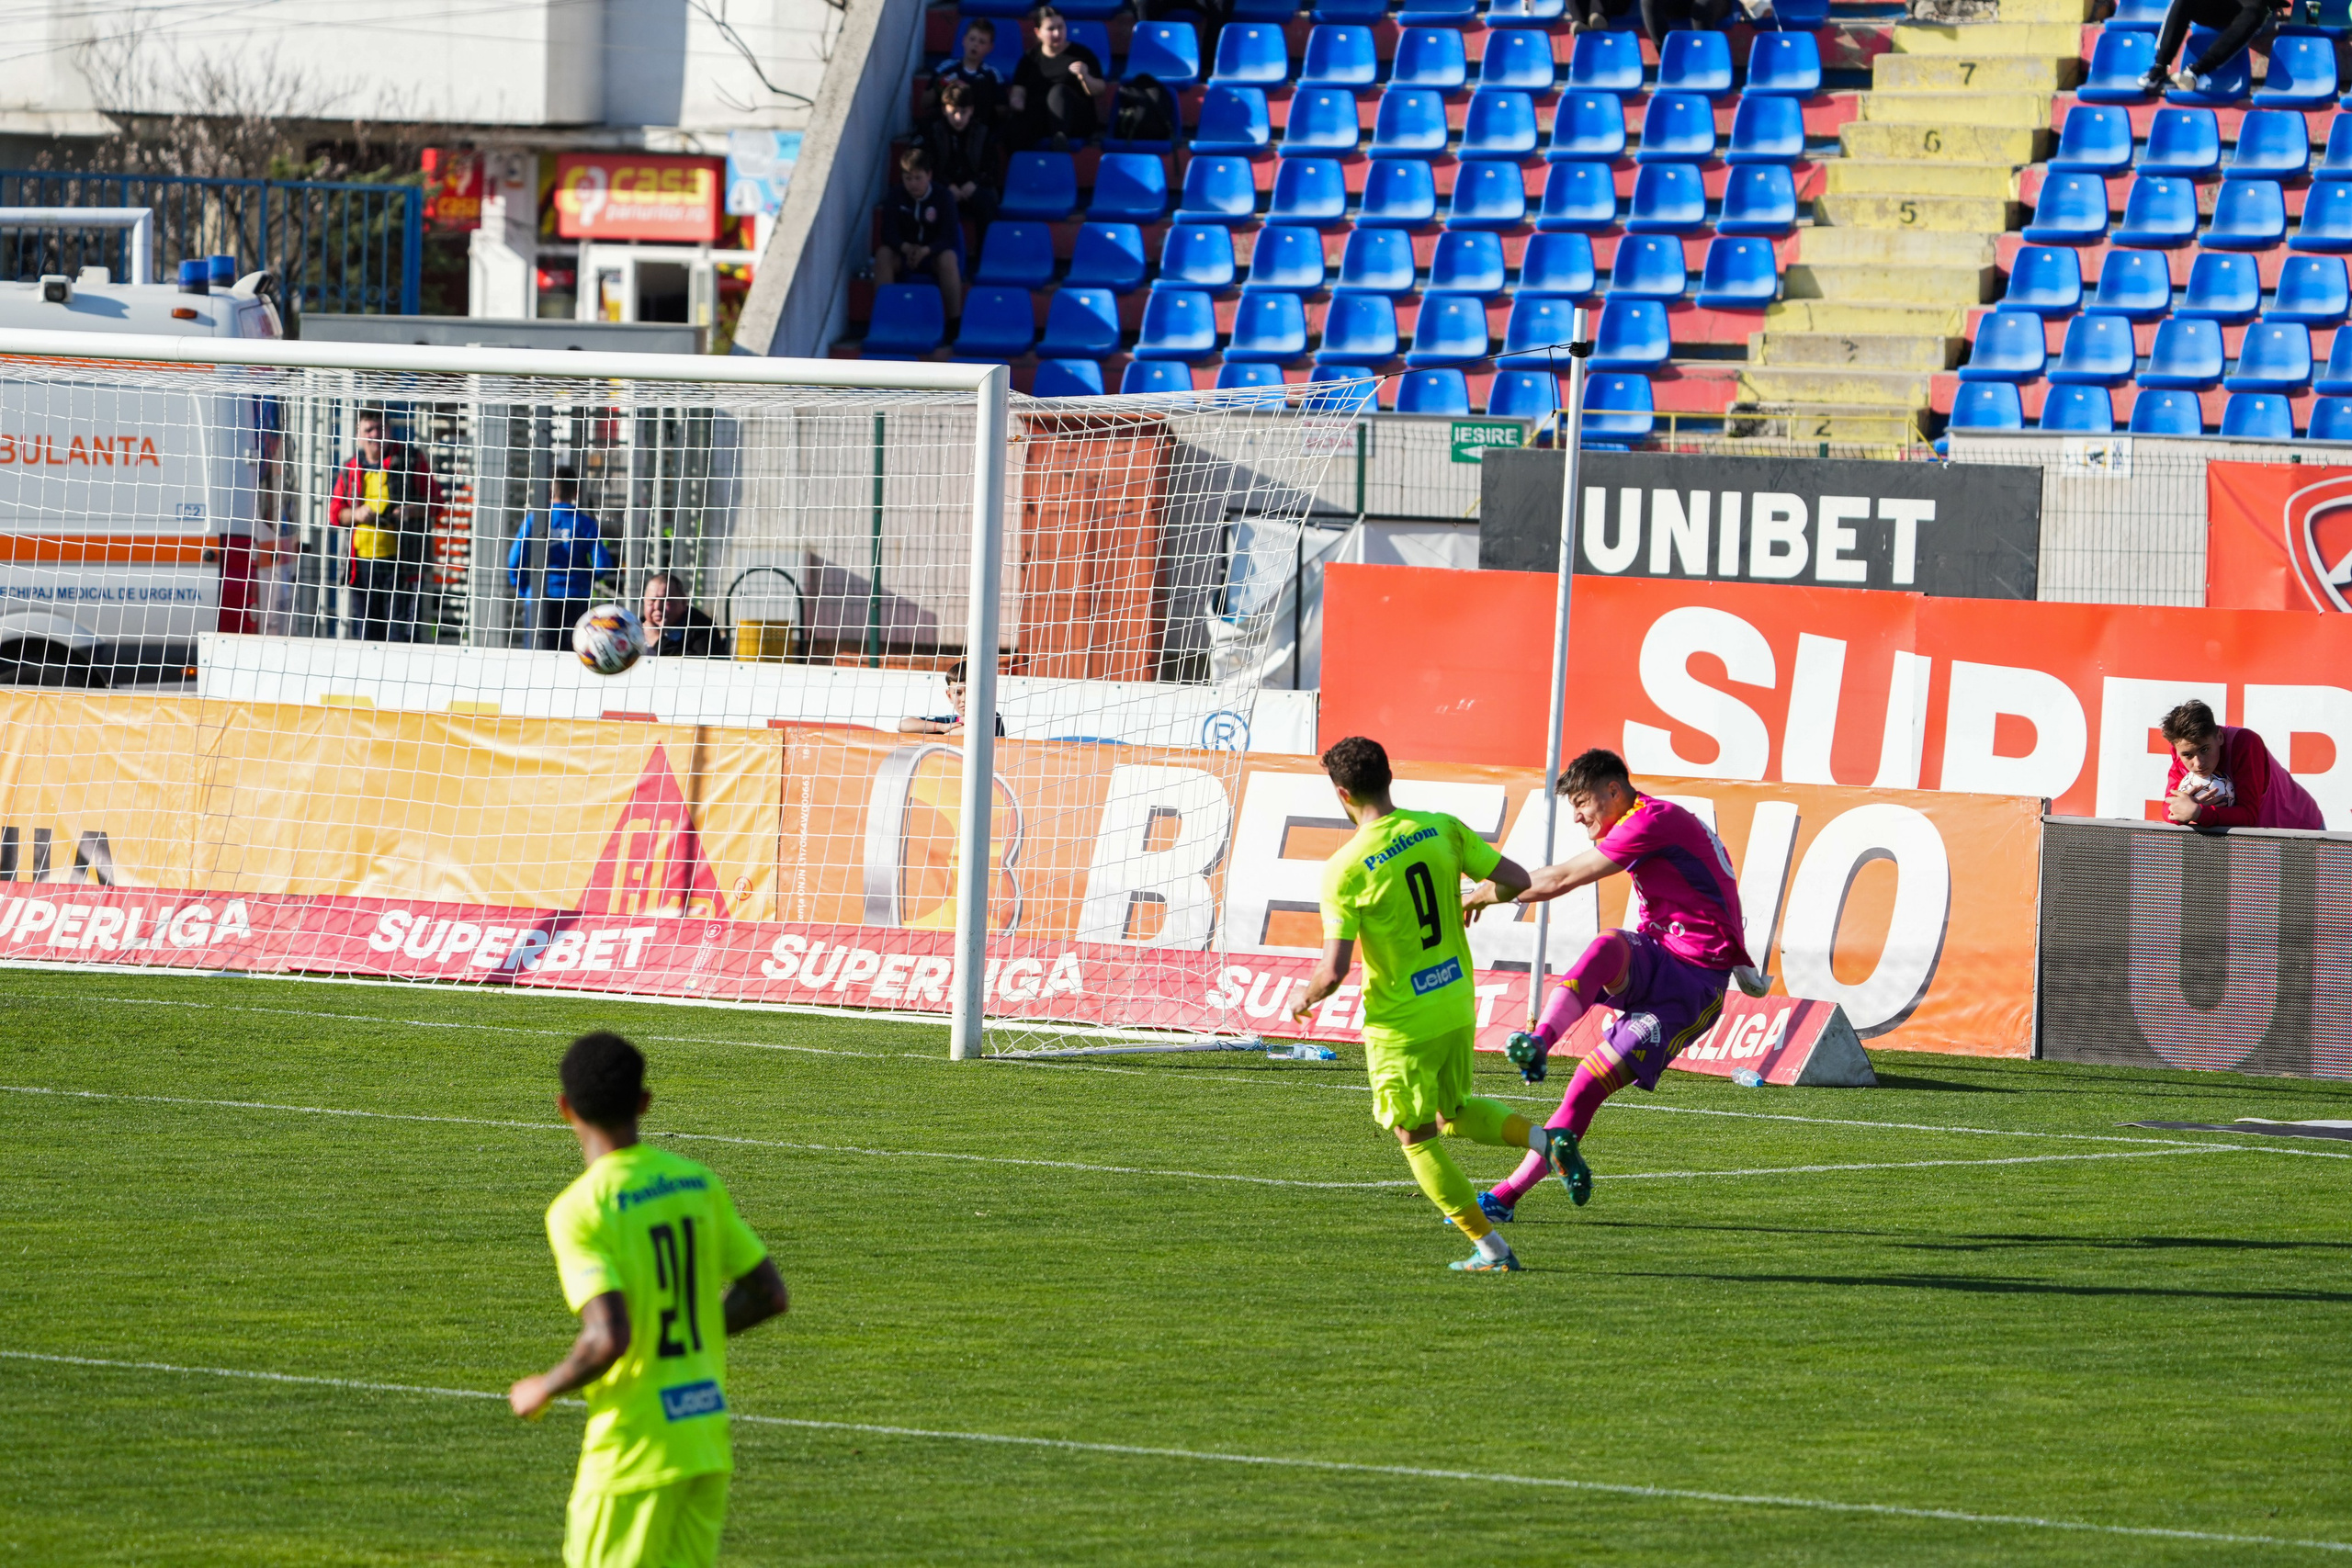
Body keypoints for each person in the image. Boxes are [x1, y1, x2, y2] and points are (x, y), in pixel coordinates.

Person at [1288, 736, 1572, 1273]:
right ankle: (1545, 1140)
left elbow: (1333, 971)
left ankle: (1492, 1250)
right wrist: (1476, 898)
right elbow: (1516, 880)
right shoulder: (1441, 826)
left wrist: (1306, 998)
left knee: (1415, 1139)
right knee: (1453, 1112)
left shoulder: (1345, 868)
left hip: (1403, 1023)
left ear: (1341, 792)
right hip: (1457, 1002)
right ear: (1389, 777)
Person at [510, 1032, 789, 1568]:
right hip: (704, 1443)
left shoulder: (581, 1209)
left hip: (633, 1452)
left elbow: (609, 1337)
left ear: (564, 1108)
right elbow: (769, 1294)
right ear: (643, 1103)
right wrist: (694, 1325)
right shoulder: (695, 1183)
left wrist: (542, 1387)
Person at [1462, 748, 1771, 1222]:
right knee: (1607, 945)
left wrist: (1487, 891)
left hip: (1692, 988)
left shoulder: (1651, 821)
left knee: (1587, 1083)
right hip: (1661, 952)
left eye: (1582, 803)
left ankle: (1504, 1197)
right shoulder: (1655, 819)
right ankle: (1540, 1044)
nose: (1578, 817)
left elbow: (1561, 878)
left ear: (1613, 790)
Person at [328, 410, 438, 642]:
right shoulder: (352, 468)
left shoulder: (410, 460)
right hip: (362, 567)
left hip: (401, 565)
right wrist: (357, 514)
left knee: (400, 636)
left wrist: (410, 511)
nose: (375, 435)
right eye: (369, 429)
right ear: (359, 435)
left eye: (381, 428)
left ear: (390, 432)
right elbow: (336, 514)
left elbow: (436, 502)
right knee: (367, 635)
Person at [2160, 698, 2325, 829]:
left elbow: (2249, 815)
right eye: (2188, 755)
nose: (2198, 763)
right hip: (2255, 840)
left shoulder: (2245, 742)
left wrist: (2198, 813)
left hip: (2299, 829)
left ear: (2220, 737)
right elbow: (2168, 807)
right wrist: (2181, 810)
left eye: (2204, 750)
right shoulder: (2180, 746)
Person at [506, 469, 616, 653]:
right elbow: (603, 565)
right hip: (575, 597)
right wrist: (584, 579)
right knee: (572, 658)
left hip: (540, 596)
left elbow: (514, 560)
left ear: (550, 492)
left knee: (537, 656)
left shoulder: (535, 519)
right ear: (576, 493)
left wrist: (524, 586)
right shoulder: (585, 523)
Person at [874, 147, 966, 335]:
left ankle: (954, 322)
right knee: (883, 255)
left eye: (918, 178)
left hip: (933, 255)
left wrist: (927, 250)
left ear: (929, 175)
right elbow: (888, 232)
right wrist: (905, 247)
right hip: (904, 254)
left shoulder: (943, 197)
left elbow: (949, 235)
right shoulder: (896, 196)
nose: (913, 184)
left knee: (949, 258)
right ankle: (886, 317)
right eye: (908, 178)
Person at [2141, 0, 2289, 94]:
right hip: (2224, 6)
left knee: (2256, 11)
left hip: (2256, 9)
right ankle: (2159, 67)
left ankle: (2196, 70)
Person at [1010, 7, 1103, 151]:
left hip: (1074, 120)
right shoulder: (1029, 59)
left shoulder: (1081, 54)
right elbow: (1019, 89)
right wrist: (1017, 100)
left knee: (1058, 91)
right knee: (1015, 128)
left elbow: (1099, 89)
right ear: (1038, 32)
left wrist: (1085, 77)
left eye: (1061, 27)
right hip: (1042, 117)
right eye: (1051, 29)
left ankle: (1060, 140)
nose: (1057, 33)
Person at [922, 80, 1001, 233]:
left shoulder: (981, 133)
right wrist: (947, 185)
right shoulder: (934, 132)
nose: (958, 118)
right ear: (945, 110)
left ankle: (985, 252)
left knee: (986, 200)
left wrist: (974, 183)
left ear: (971, 110)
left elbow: (991, 167)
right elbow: (928, 166)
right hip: (943, 189)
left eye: (963, 112)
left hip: (973, 188)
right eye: (954, 112)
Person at [898, 656, 1006, 735]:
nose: (964, 699)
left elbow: (975, 730)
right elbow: (902, 725)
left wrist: (946, 735)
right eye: (958, 693)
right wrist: (940, 727)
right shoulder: (948, 723)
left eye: (970, 693)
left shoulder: (992, 718)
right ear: (949, 696)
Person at [932, 17, 1005, 125]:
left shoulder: (992, 75)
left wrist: (981, 93)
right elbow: (924, 102)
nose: (975, 44)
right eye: (972, 39)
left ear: (990, 48)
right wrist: (942, 85)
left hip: (980, 129)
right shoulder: (946, 68)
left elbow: (1003, 111)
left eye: (982, 42)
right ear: (964, 40)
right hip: (948, 127)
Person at [641, 571, 730, 659]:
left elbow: (704, 666)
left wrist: (659, 642)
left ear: (683, 603)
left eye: (665, 600)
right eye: (651, 601)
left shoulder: (703, 627)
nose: (657, 606)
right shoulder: (635, 626)